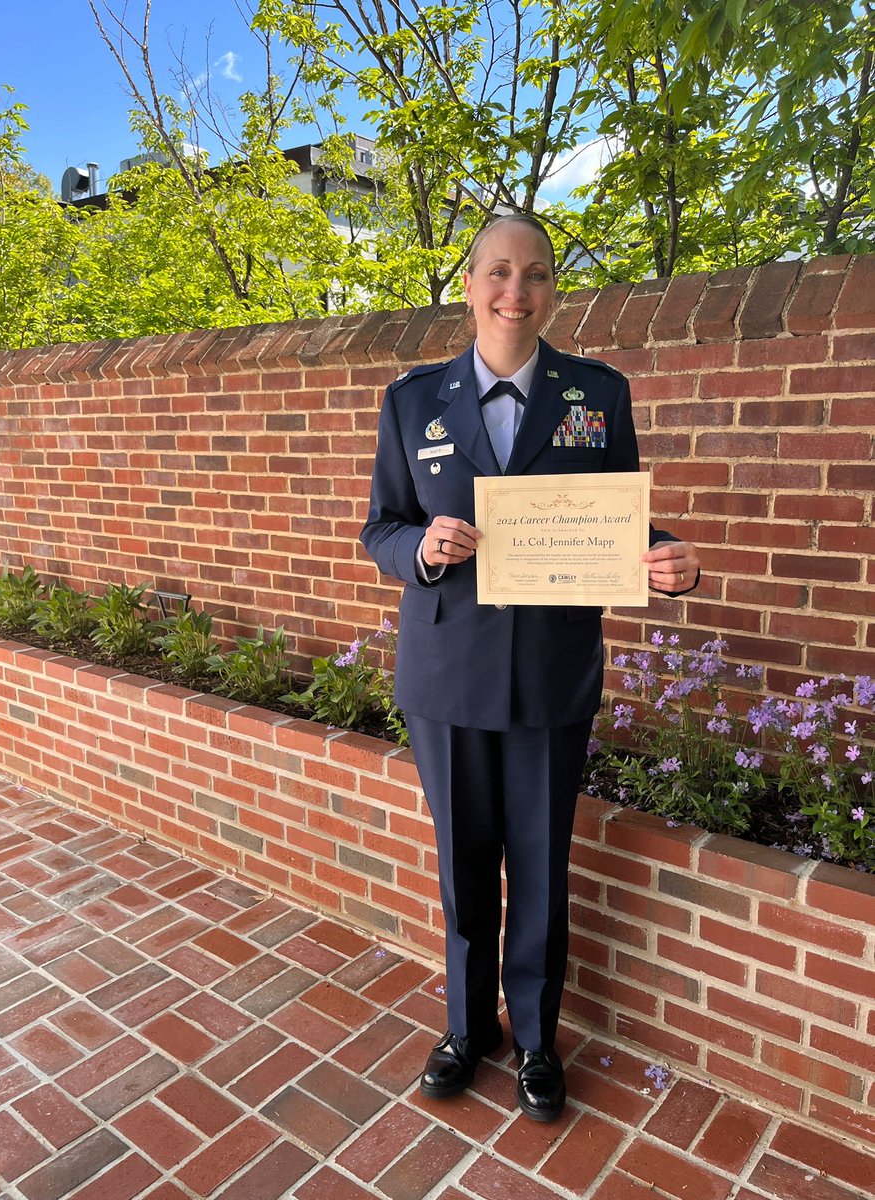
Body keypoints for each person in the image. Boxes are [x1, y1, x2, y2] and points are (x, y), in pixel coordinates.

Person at [360, 214, 700, 1122]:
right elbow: (380, 528)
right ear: (469, 283)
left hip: (550, 674)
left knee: (542, 867)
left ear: (554, 289)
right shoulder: (412, 400)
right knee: (464, 865)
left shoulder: (599, 394)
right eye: (498, 272)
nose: (517, 292)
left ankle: (538, 1041)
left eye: (537, 275)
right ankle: (467, 1029)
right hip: (448, 676)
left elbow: (621, 524)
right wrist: (422, 547)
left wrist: (669, 561)